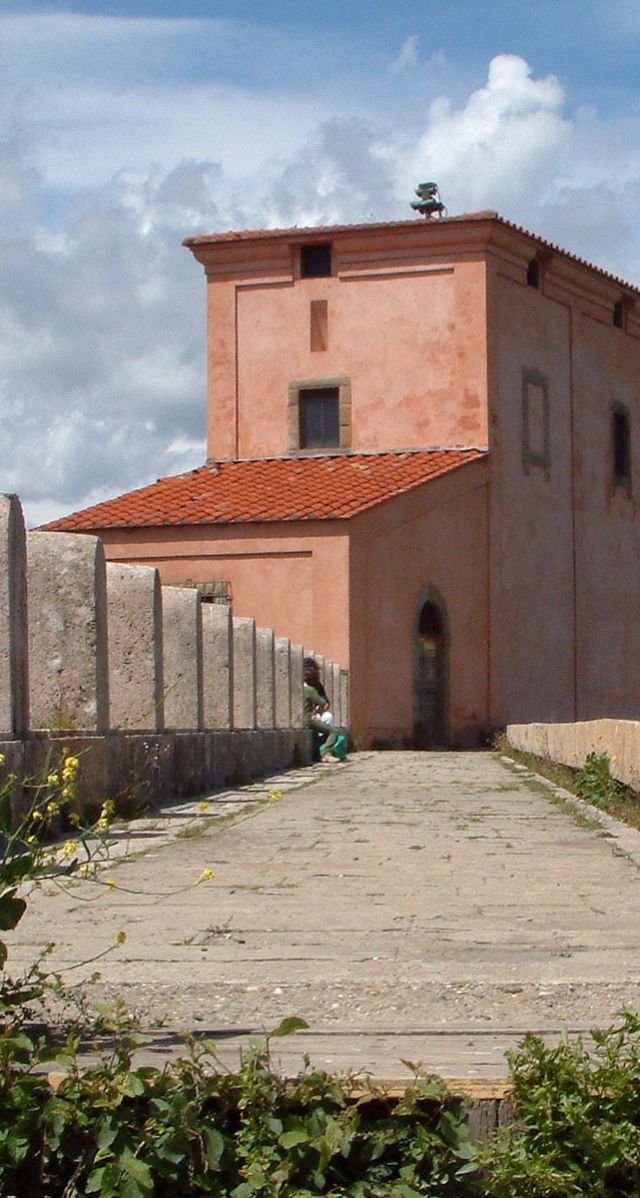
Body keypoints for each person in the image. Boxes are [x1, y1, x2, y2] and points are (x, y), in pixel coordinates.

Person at [303, 657, 345, 761]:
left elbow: (326, 703)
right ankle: (325, 752)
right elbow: (323, 703)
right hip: (310, 717)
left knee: (328, 716)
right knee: (333, 731)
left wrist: (317, 710)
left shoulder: (317, 686)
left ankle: (327, 750)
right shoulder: (309, 689)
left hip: (316, 713)